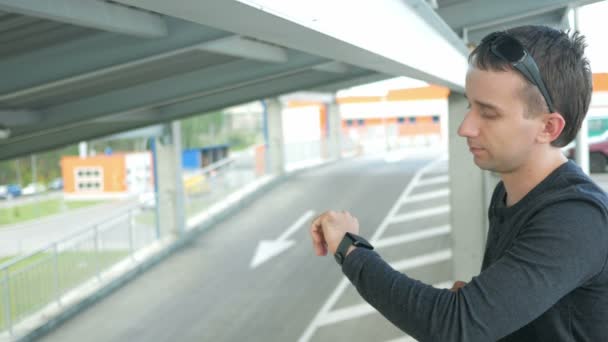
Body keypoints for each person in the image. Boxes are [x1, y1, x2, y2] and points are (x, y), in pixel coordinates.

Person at [310, 25, 608, 341]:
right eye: (470, 105)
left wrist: (350, 248)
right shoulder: (508, 193)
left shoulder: (576, 218)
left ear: (548, 127)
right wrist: (482, 309)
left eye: (488, 113)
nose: (465, 127)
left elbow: (455, 327)